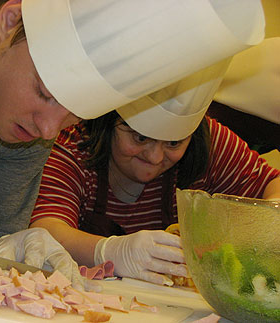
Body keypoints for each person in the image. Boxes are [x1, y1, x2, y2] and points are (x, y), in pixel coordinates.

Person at [0, 0, 266, 285]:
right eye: (45, 93)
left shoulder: (28, 127)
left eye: (73, 112)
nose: (50, 129)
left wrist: (4, 246)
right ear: (11, 20)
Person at [30, 63, 280, 287]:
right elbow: (45, 228)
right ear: (109, 122)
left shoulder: (211, 142)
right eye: (140, 138)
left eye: (173, 143)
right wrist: (108, 251)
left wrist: (265, 222)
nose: (155, 158)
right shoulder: (73, 145)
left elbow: (273, 184)